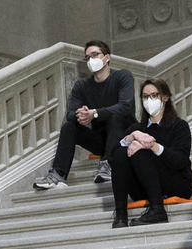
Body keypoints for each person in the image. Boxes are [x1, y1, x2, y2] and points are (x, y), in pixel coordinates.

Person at [34, 39, 135, 189]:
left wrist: (94, 114)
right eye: (88, 57)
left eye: (95, 55)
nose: (91, 60)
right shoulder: (81, 85)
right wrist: (80, 114)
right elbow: (69, 114)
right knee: (69, 126)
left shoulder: (122, 77)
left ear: (107, 57)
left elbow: (126, 106)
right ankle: (57, 175)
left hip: (125, 138)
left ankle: (108, 165)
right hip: (101, 141)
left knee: (115, 115)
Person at [108, 78, 192, 227]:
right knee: (122, 152)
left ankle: (158, 210)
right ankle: (121, 215)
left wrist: (152, 146)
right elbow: (113, 158)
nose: (150, 100)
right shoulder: (137, 128)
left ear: (165, 98)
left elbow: (180, 160)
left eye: (154, 95)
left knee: (140, 150)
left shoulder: (179, 126)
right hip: (144, 187)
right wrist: (132, 137)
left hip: (176, 182)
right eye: (146, 97)